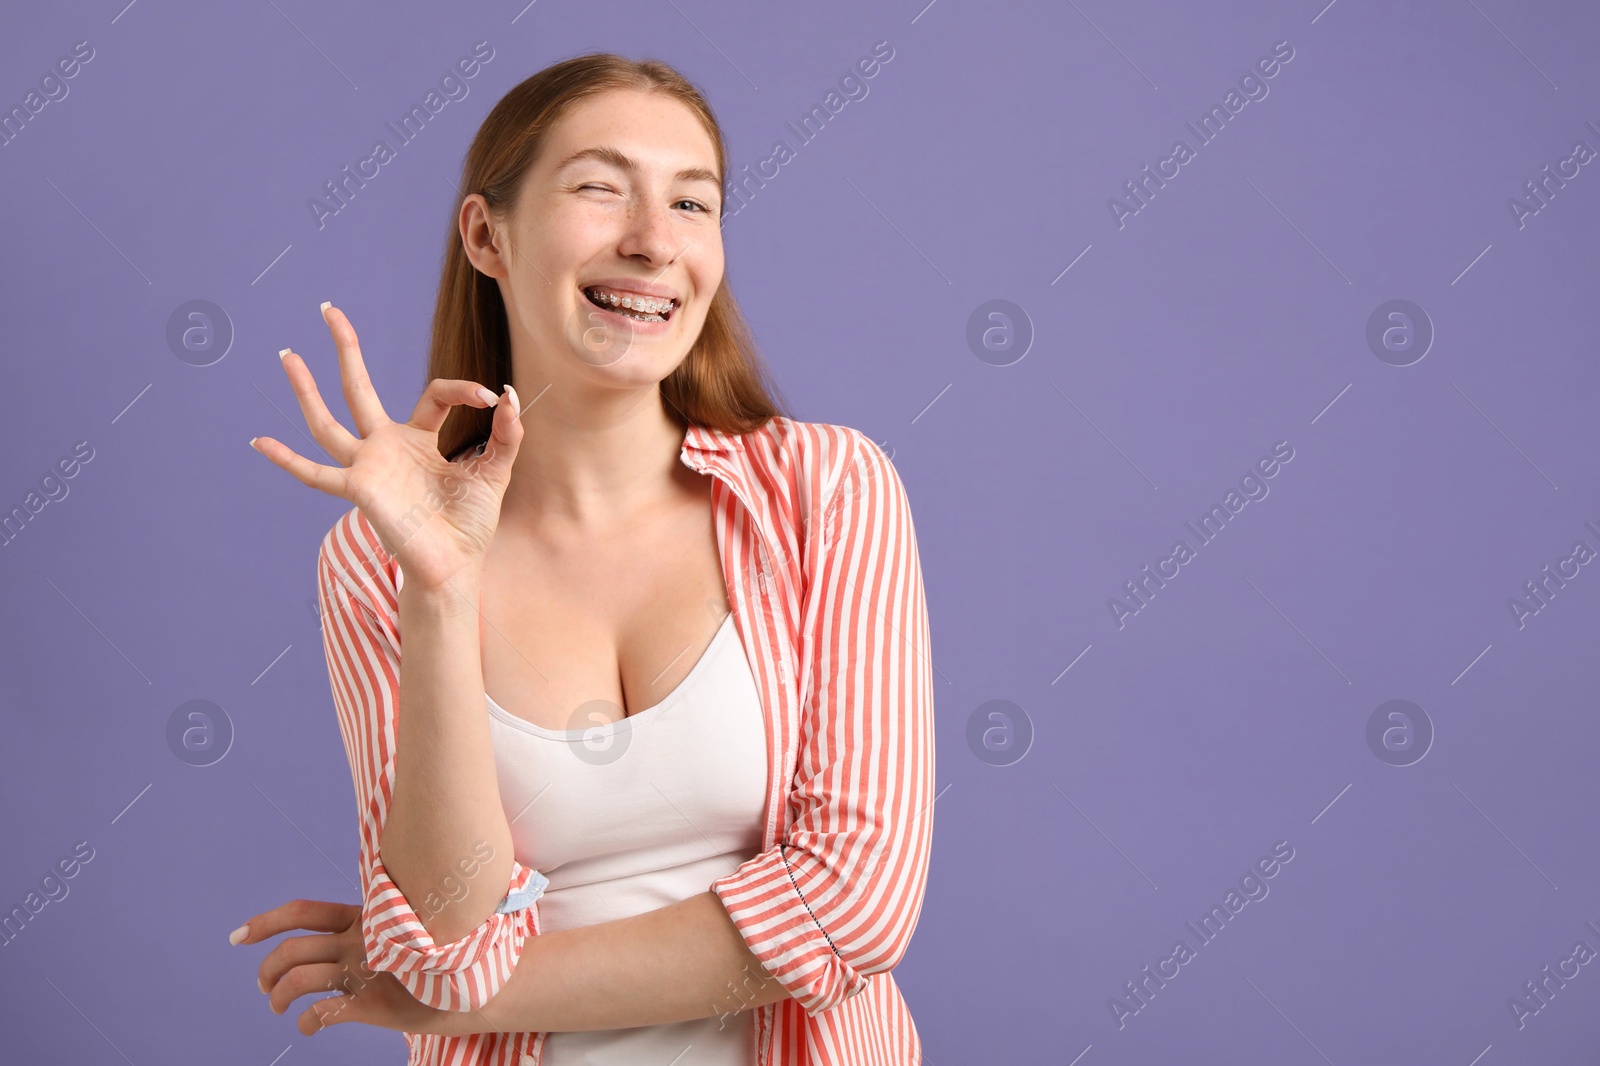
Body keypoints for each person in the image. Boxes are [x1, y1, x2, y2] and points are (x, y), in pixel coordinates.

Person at [235, 52, 936, 1066]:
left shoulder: (825, 492)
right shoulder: (375, 561)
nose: (653, 243)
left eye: (693, 204)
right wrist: (442, 587)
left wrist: (439, 1002)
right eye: (600, 188)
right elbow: (440, 938)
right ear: (488, 235)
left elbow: (853, 908)